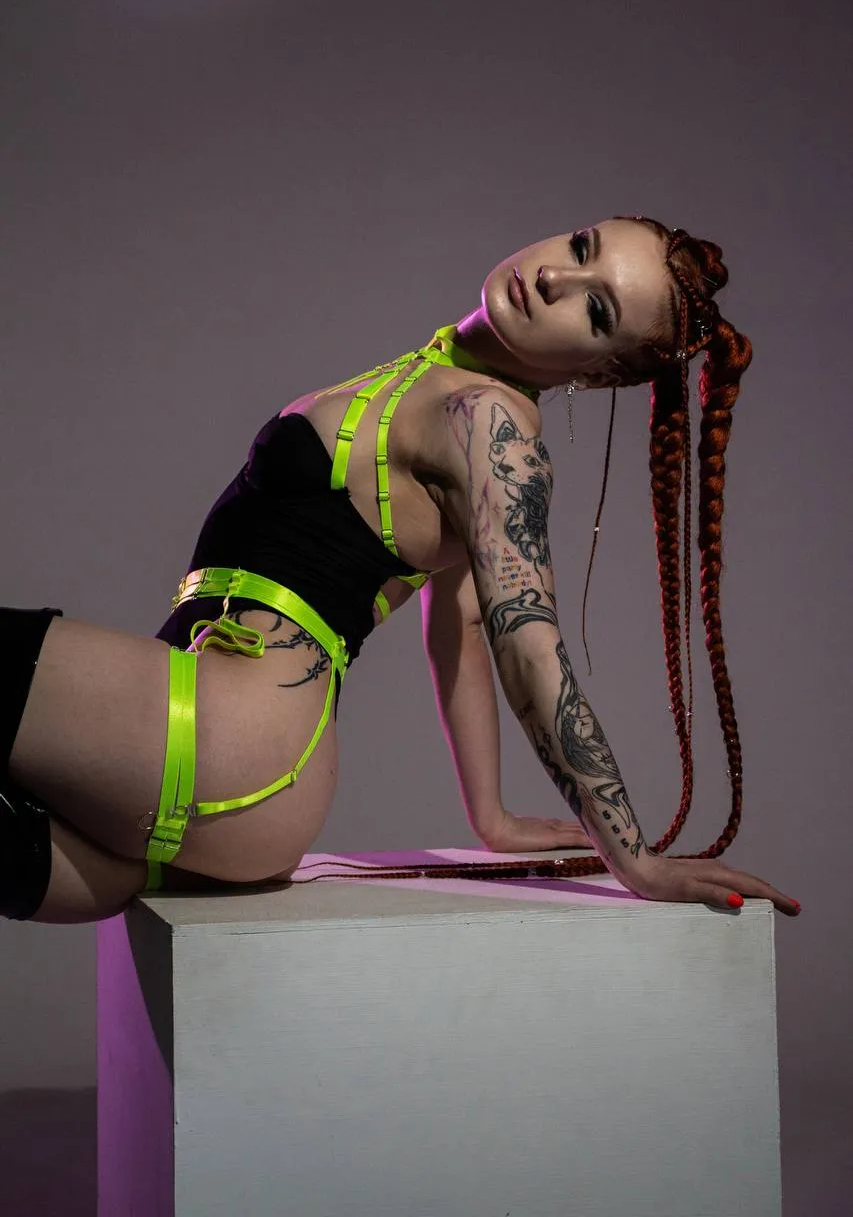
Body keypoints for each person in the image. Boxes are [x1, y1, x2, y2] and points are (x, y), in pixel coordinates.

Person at [1, 215, 801, 924]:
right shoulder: (448, 384)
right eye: (581, 247)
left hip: (223, 742)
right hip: (239, 780)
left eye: (595, 311)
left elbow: (529, 646)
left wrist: (635, 861)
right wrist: (490, 816)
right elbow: (459, 619)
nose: (555, 277)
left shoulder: (487, 422)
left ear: (594, 374)